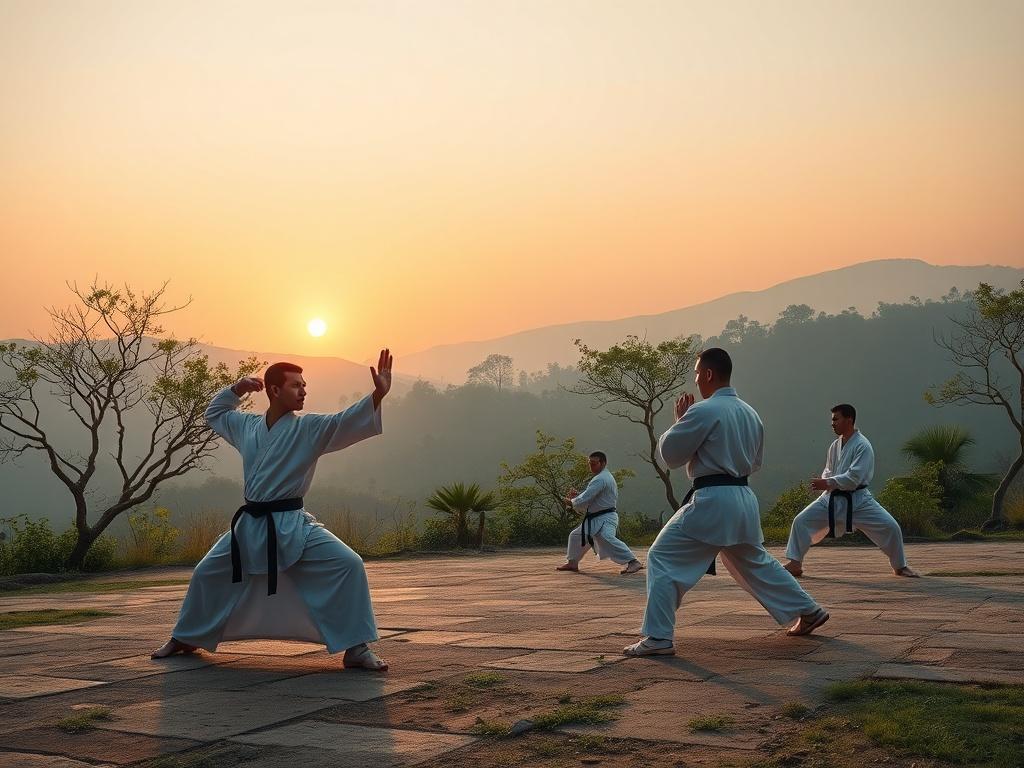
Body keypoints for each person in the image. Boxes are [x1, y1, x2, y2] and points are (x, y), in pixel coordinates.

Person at [152, 350, 394, 671]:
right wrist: (237, 388)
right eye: (296, 385)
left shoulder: (309, 428)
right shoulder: (247, 426)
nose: (304, 391)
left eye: (304, 385)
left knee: (348, 564)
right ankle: (185, 637)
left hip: (293, 524)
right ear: (274, 390)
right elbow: (215, 412)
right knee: (207, 572)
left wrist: (378, 394)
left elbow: (343, 421)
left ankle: (356, 647)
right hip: (250, 524)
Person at [624, 348, 828, 657]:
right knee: (755, 563)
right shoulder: (750, 413)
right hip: (743, 498)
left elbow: (671, 456)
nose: (695, 381)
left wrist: (680, 421)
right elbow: (755, 462)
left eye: (696, 374)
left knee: (662, 557)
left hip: (712, 499)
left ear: (708, 374)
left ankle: (658, 636)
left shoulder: (704, 410)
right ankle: (808, 610)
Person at [783, 404, 919, 579]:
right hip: (831, 499)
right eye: (832, 420)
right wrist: (827, 482)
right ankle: (795, 563)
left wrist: (828, 482)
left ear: (849, 420)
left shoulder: (863, 446)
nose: (832, 423)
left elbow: (854, 477)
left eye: (835, 419)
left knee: (890, 527)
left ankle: (900, 566)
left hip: (858, 501)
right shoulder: (834, 445)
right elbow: (828, 469)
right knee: (801, 521)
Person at [556, 451, 644, 575]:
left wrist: (570, 501)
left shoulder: (601, 479)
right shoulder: (603, 477)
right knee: (576, 536)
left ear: (603, 463)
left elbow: (585, 498)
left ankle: (633, 561)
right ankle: (572, 563)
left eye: (594, 463)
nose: (591, 466)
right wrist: (577, 498)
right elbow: (591, 498)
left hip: (604, 517)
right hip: (599, 517)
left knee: (606, 537)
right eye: (589, 463)